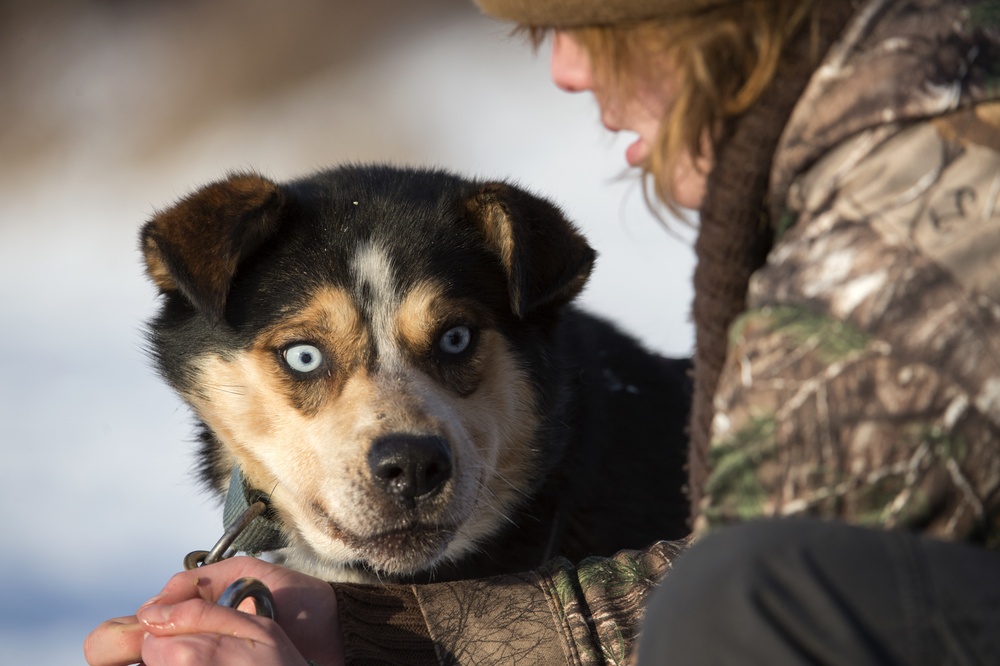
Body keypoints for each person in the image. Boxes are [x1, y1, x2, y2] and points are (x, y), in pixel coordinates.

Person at [84, 0, 1000, 663]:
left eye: (453, 346)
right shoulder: (867, 161)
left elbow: (757, 606)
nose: (563, 67)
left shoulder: (921, 192)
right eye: (306, 358)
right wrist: (357, 631)